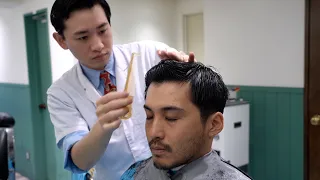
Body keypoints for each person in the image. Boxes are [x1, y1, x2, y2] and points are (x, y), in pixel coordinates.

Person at [47, 0, 195, 180]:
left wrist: (189, 76)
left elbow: (189, 105)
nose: (98, 45)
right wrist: (102, 128)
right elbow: (80, 162)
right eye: (83, 37)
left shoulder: (150, 54)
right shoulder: (61, 93)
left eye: (103, 31)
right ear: (61, 40)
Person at [120, 60, 252, 180]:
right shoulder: (134, 174)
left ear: (213, 124)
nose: (154, 132)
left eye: (171, 118)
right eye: (149, 116)